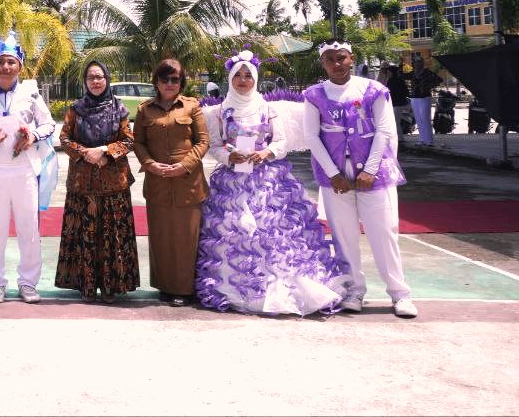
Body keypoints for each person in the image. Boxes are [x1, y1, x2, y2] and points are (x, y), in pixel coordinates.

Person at [195, 51, 348, 315]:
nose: (243, 81)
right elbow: (214, 145)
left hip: (267, 181)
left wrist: (266, 153)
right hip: (233, 181)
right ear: (229, 79)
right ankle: (242, 290)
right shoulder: (220, 111)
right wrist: (227, 156)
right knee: (239, 232)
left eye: (248, 76)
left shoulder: (268, 108)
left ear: (255, 78)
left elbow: (280, 141)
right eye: (238, 76)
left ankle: (279, 286)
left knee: (273, 235)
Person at [304, 41, 416, 318]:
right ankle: (354, 290)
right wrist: (333, 173)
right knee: (343, 237)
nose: (336, 64)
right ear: (323, 64)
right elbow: (311, 137)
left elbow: (385, 131)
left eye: (341, 57)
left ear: (351, 58)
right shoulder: (314, 95)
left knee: (384, 233)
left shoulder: (374, 90)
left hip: (373, 177)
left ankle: (400, 294)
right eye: (329, 60)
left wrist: (371, 170)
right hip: (337, 179)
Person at [0, 31, 56, 304]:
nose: (6, 67)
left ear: (19, 66)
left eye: (11, 62)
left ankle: (28, 283)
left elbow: (49, 124)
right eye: (0, 62)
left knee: (29, 228)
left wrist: (32, 136)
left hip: (25, 172)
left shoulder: (31, 93)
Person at [55, 61, 139, 303]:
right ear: (85, 81)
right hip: (83, 183)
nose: (95, 81)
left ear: (107, 79)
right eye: (91, 77)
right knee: (86, 233)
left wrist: (104, 150)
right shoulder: (76, 109)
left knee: (112, 235)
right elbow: (64, 138)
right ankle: (87, 286)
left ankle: (112, 286)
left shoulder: (119, 109)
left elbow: (128, 141)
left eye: (100, 76)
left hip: (113, 184)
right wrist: (86, 153)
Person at [133, 58, 210, 307]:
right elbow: (138, 143)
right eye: (164, 79)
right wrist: (150, 165)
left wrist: (184, 166)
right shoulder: (145, 110)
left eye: (174, 79)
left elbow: (202, 141)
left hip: (188, 183)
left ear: (181, 82)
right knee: (161, 237)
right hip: (158, 183)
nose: (169, 83)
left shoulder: (192, 107)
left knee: (187, 237)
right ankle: (165, 286)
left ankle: (185, 289)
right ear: (156, 81)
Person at [405, 56, 442, 145]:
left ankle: (429, 140)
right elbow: (402, 75)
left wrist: (428, 86)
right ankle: (422, 139)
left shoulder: (427, 72)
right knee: (419, 119)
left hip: (425, 97)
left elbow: (439, 80)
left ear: (422, 63)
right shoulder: (413, 73)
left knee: (425, 119)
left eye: (419, 62)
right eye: (416, 62)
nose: (417, 64)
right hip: (414, 98)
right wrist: (400, 64)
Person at [382, 64, 412, 136]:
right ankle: (399, 137)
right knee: (395, 122)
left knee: (395, 122)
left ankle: (400, 138)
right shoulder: (394, 80)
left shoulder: (394, 81)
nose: (388, 73)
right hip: (396, 103)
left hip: (397, 104)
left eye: (389, 72)